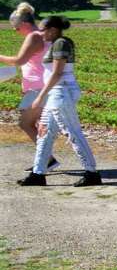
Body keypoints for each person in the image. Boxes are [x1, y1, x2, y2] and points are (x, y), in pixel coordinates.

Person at [18, 16, 100, 187]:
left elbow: (57, 74)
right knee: (45, 134)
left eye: (43, 30)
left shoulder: (61, 43)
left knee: (73, 132)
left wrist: (40, 96)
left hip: (62, 93)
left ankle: (92, 173)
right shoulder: (57, 43)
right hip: (57, 93)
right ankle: (38, 174)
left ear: (53, 30)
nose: (40, 34)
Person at [2, 3, 56, 169]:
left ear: (24, 24)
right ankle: (46, 160)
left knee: (25, 124)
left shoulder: (34, 36)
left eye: (16, 28)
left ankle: (48, 161)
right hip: (42, 87)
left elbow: (19, 60)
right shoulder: (44, 35)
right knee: (39, 125)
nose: (15, 31)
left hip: (38, 88)